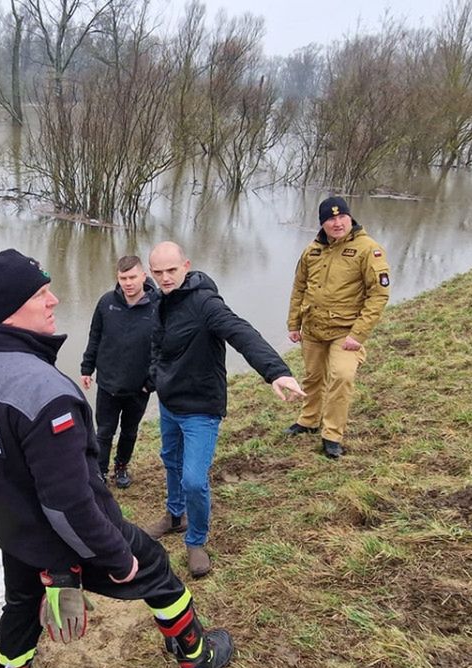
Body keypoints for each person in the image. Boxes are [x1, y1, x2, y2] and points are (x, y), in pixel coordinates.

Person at [0, 248, 234, 668]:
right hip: (76, 538)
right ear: (10, 310)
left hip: (14, 529)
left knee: (20, 607)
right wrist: (116, 557)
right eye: (41, 294)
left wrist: (17, 507)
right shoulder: (47, 395)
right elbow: (69, 504)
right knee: (156, 569)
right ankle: (198, 657)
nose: (54, 300)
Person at [145, 242, 304, 578]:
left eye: (171, 270)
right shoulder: (160, 299)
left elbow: (241, 332)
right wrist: (155, 376)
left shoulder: (206, 303)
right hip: (170, 403)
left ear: (186, 265)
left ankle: (196, 540)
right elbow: (157, 345)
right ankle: (174, 516)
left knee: (193, 479)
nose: (165, 278)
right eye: (158, 272)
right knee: (171, 460)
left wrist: (276, 372)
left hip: (201, 408)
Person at [285, 196, 390, 458]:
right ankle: (309, 420)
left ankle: (332, 435)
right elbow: (299, 287)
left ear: (350, 218)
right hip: (313, 328)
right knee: (313, 376)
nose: (337, 223)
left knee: (342, 377)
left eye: (342, 216)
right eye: (330, 219)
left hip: (345, 332)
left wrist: (359, 334)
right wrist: (294, 323)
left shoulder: (368, 249)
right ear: (322, 223)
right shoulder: (312, 250)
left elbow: (378, 294)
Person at [80, 255, 158, 489]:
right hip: (108, 384)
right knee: (104, 432)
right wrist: (87, 368)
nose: (128, 283)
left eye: (133, 277)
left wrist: (151, 382)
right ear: (118, 278)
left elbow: (164, 348)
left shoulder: (159, 306)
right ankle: (100, 472)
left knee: (129, 432)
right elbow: (95, 336)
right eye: (123, 278)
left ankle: (121, 466)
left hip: (139, 387)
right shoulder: (106, 303)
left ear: (143, 276)